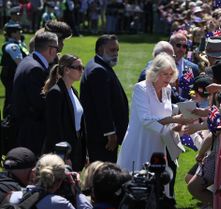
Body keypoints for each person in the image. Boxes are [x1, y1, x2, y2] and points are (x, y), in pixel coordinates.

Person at [117, 53, 190, 172]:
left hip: (158, 143)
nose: (168, 78)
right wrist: (174, 119)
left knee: (158, 183)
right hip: (140, 141)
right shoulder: (141, 88)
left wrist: (177, 127)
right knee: (137, 181)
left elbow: (165, 114)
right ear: (155, 72)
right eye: (165, 74)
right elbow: (146, 120)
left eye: (171, 74)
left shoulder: (167, 89)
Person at [80, 34, 129, 163]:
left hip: (101, 136)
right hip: (103, 138)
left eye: (117, 50)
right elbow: (102, 105)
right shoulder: (98, 70)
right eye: (112, 50)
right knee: (104, 174)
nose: (116, 53)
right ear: (101, 50)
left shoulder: (99, 65)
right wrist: (110, 133)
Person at [12, 31, 59, 156]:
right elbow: (39, 103)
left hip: (24, 127)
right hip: (32, 131)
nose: (57, 52)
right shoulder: (35, 69)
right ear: (50, 50)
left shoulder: (28, 60)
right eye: (57, 48)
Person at [42, 54, 86, 172]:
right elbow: (54, 127)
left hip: (75, 147)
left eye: (82, 67)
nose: (81, 71)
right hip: (62, 152)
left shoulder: (73, 91)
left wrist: (83, 153)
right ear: (66, 70)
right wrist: (63, 155)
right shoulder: (55, 93)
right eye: (78, 67)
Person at [9, 154, 92, 209]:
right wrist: (77, 191)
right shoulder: (58, 203)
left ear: (33, 173)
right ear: (60, 181)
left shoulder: (12, 197)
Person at [0, 23, 28, 117]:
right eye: (18, 32)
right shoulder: (12, 46)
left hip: (13, 74)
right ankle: (8, 119)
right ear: (12, 34)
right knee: (12, 97)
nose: (21, 33)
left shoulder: (18, 44)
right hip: (11, 75)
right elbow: (20, 62)